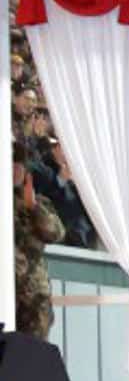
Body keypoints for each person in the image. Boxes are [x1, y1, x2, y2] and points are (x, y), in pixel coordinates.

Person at [12, 144, 65, 339]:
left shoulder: (37, 202)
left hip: (32, 298)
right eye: (11, 165)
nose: (15, 171)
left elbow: (56, 233)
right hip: (7, 291)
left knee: (31, 356)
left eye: (19, 166)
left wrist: (33, 207)